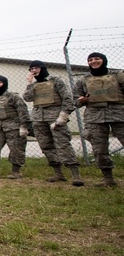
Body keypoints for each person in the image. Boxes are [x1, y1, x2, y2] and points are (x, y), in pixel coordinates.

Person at [24, 61, 83, 186]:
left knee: (63, 144)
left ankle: (76, 175)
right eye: (31, 68)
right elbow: (27, 98)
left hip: (55, 118)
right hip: (39, 119)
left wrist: (64, 115)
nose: (33, 70)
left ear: (43, 68)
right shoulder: (33, 84)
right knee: (46, 146)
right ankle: (58, 173)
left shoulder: (56, 81)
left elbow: (67, 98)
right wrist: (29, 84)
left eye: (36, 68)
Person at [74, 52, 123, 187]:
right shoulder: (83, 80)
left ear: (104, 60)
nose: (93, 61)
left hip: (119, 115)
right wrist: (81, 100)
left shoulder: (118, 75)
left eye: (97, 59)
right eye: (90, 59)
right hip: (94, 117)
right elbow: (75, 101)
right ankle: (108, 179)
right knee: (99, 149)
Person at [0, 75, 31, 180]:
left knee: (16, 148)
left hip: (13, 126)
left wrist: (24, 126)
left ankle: (16, 172)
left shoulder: (13, 96)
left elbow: (23, 111)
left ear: (4, 83)